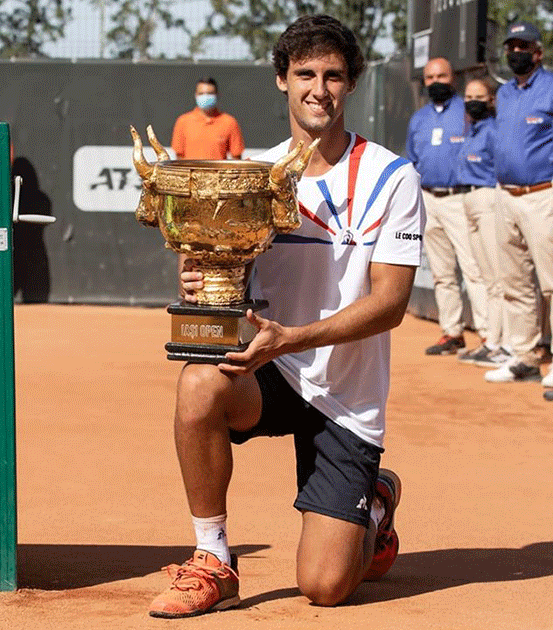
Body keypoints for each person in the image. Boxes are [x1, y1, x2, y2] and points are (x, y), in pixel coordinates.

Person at [148, 15, 424, 618]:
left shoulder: (391, 176)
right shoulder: (251, 176)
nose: (318, 88)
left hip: (346, 395)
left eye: (332, 75)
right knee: (197, 383)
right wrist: (201, 280)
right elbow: (228, 277)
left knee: (324, 588)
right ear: (282, 81)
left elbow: (391, 305)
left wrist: (292, 338)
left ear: (350, 83)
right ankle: (213, 558)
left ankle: (374, 504)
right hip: (271, 373)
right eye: (305, 74)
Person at [487, 21, 553, 399]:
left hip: (543, 193)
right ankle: (525, 356)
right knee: (514, 282)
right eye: (512, 45)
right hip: (505, 195)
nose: (516, 52)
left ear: (538, 52)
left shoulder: (550, 86)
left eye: (523, 46)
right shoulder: (506, 93)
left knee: (551, 282)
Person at [406, 57, 488, 357]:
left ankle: (489, 337)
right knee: (442, 273)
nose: (436, 81)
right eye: (429, 77)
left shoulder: (467, 113)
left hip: (459, 198)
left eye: (442, 75)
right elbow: (413, 160)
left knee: (474, 269)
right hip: (429, 199)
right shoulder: (419, 119)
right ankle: (452, 333)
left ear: (452, 78)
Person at [454, 78, 509, 368]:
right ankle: (490, 341)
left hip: (488, 197)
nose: (473, 100)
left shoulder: (492, 129)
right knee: (482, 275)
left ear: (490, 100)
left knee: (497, 277)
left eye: (479, 96)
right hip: (468, 199)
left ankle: (501, 344)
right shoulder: (471, 129)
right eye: (468, 95)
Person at [171, 77, 245, 160]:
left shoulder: (229, 122)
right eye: (201, 93)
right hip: (191, 172)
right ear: (195, 95)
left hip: (218, 172)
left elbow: (236, 157)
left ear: (217, 95)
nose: (205, 97)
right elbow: (179, 156)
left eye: (210, 93)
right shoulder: (183, 121)